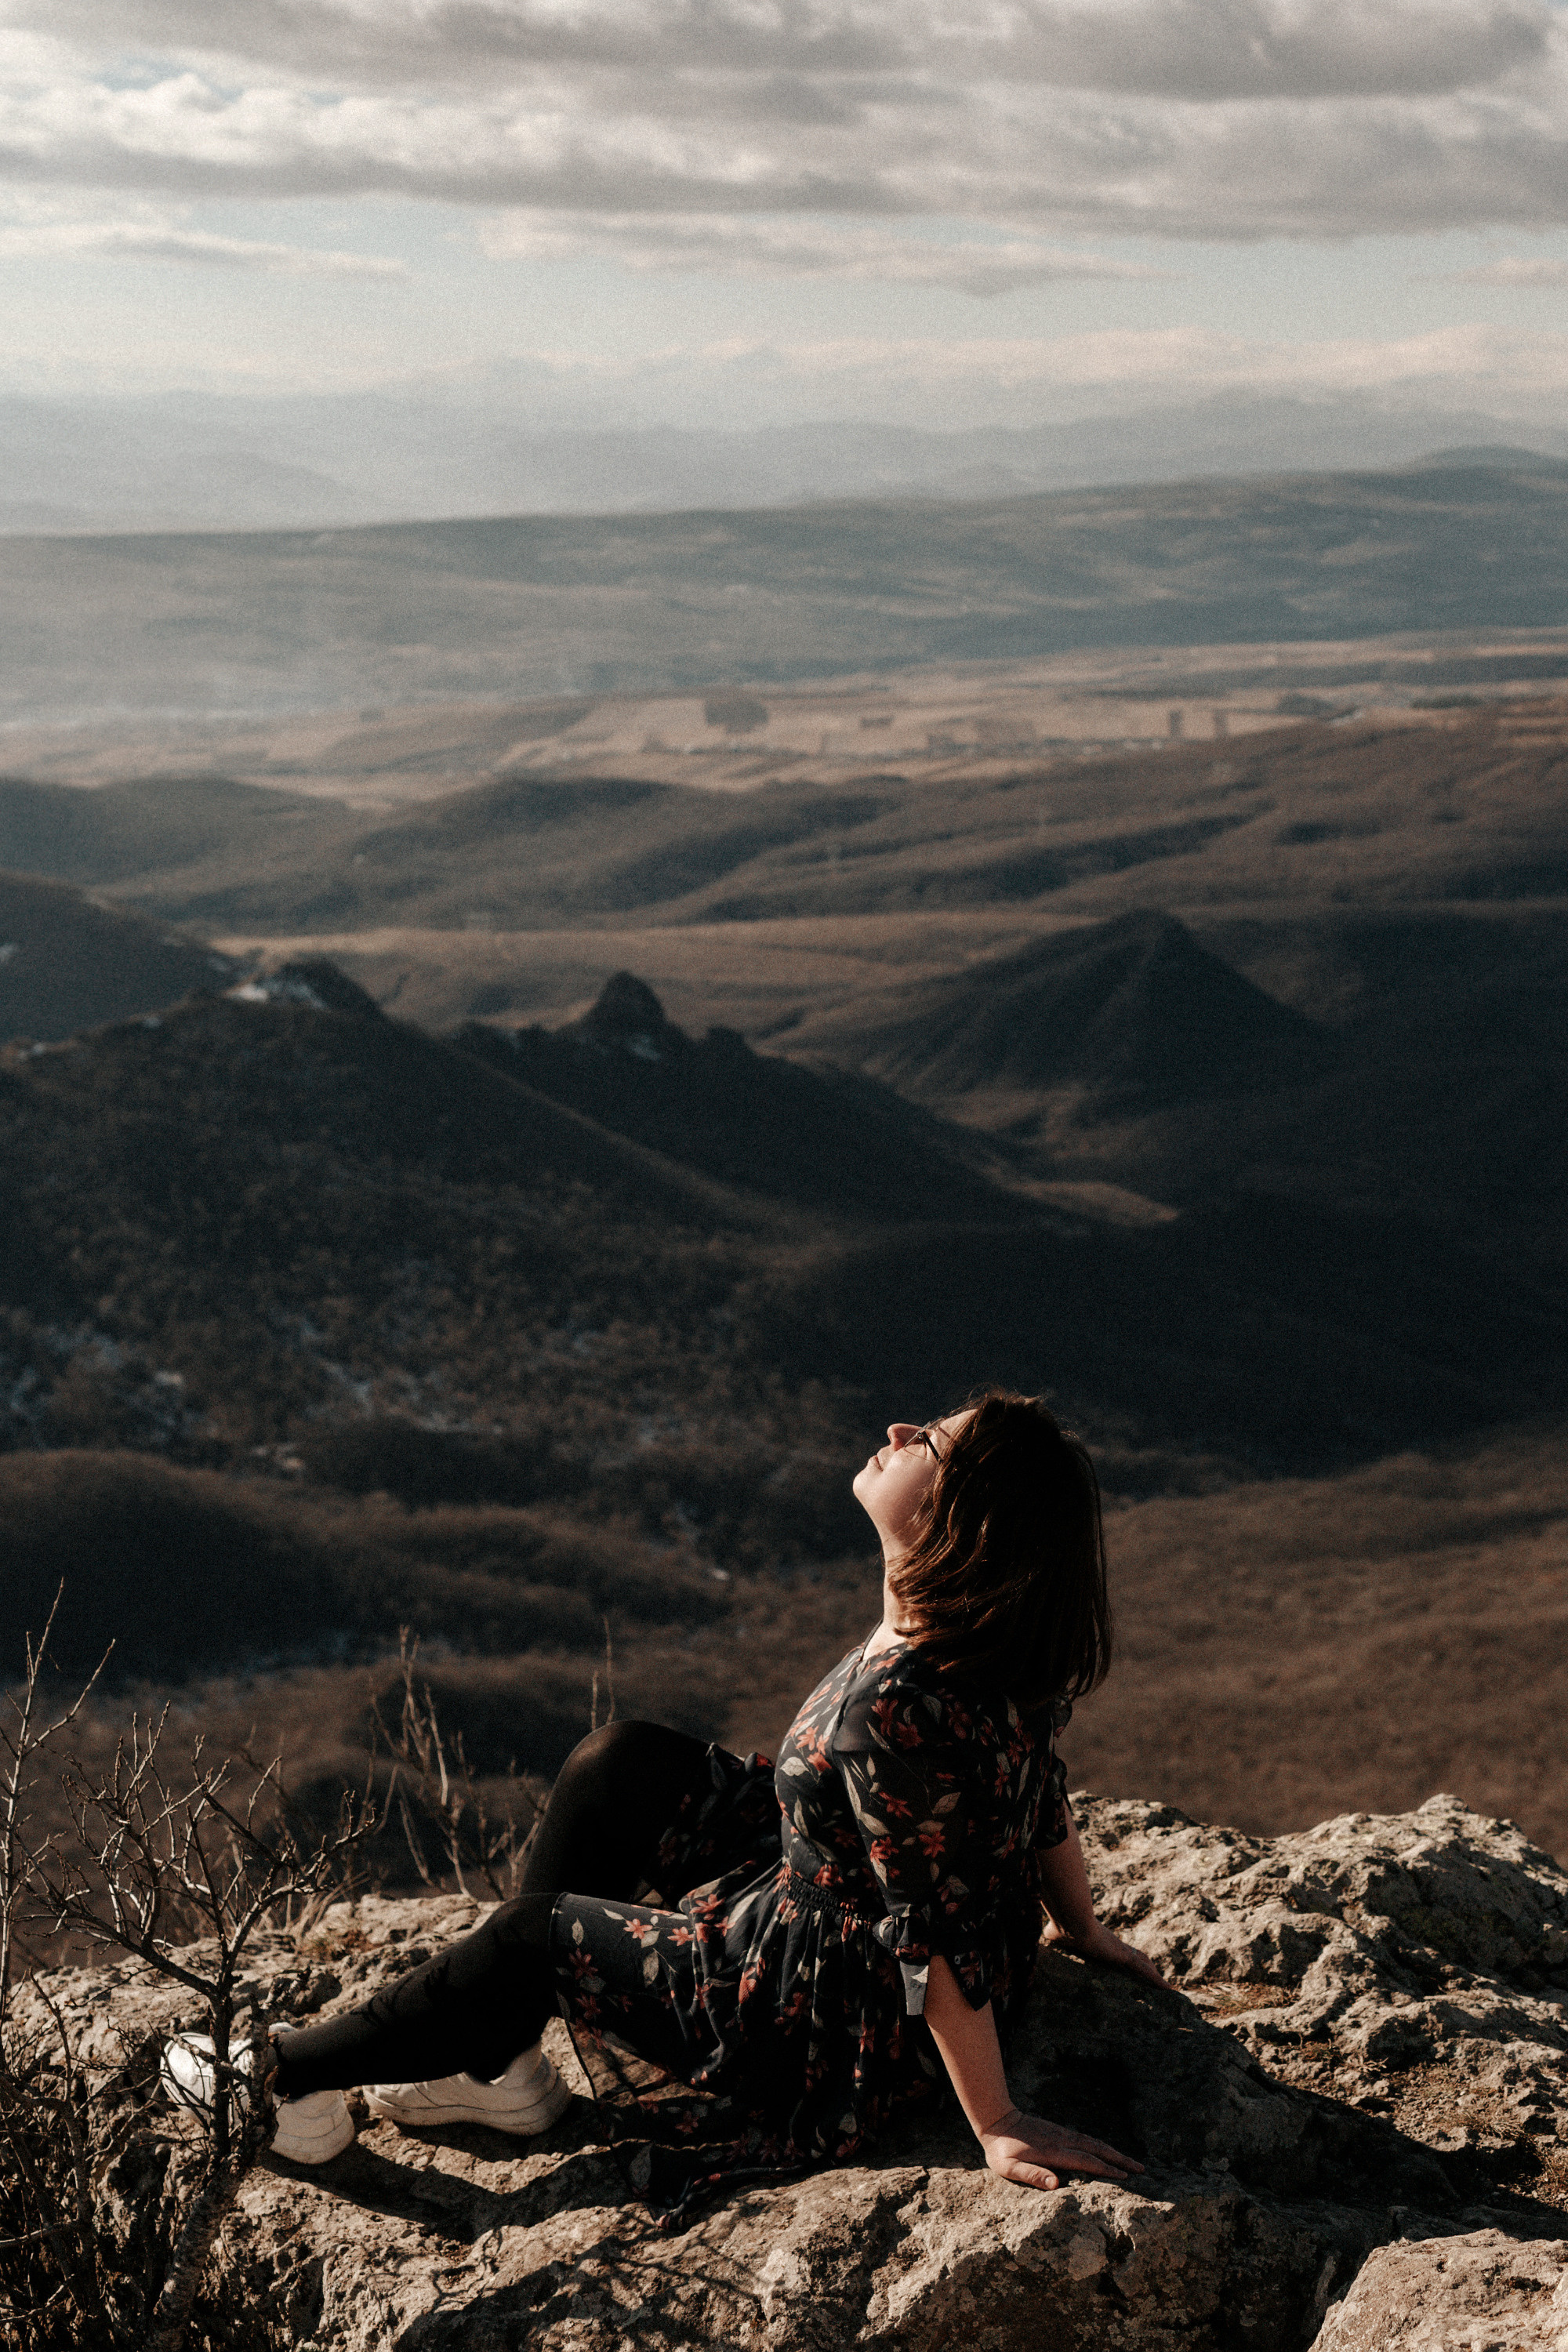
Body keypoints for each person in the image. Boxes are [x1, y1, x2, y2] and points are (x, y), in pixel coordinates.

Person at [164, 1389, 1158, 2218]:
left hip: (821, 2016)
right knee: (621, 1760)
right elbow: (1040, 1800)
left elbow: (927, 1931)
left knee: (529, 1939)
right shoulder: (982, 1643)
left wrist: (994, 2121)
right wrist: (1084, 1929)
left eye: (929, 1442)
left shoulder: (884, 1713)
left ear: (953, 1523)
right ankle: (494, 2067)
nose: (899, 1431)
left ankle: (276, 2081)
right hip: (833, 1900)